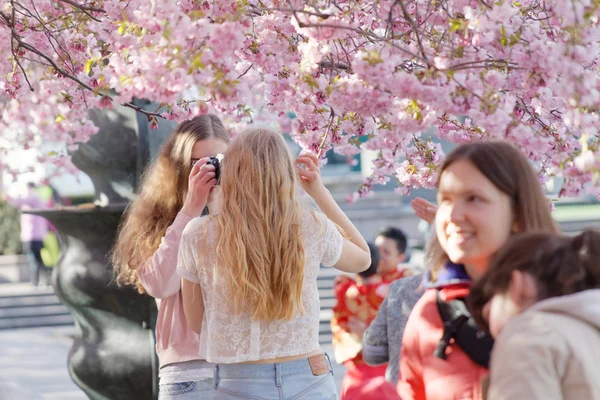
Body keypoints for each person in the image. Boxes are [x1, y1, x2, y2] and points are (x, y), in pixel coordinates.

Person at [176, 128, 371, 399]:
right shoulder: (311, 225)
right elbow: (363, 258)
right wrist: (319, 193)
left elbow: (198, 322)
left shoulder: (199, 233)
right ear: (285, 173)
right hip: (309, 378)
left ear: (229, 171)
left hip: (239, 382)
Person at [397, 141, 560, 400]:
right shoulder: (428, 313)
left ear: (517, 213)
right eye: (446, 199)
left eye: (474, 199)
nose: (453, 215)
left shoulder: (568, 300)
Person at [112, 114, 230, 399]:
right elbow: (160, 284)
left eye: (218, 161)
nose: (209, 172)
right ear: (178, 167)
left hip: (245, 369)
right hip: (189, 374)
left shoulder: (245, 213)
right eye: (197, 164)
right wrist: (190, 210)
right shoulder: (158, 216)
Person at [467, 230, 600, 400]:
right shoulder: (589, 332)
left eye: (488, 313)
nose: (493, 333)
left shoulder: (529, 333)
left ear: (517, 284)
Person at [362, 199, 436, 384]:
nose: (378, 257)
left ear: (401, 257)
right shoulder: (352, 282)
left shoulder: (405, 285)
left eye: (385, 252)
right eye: (377, 250)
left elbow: (373, 349)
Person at [331, 243, 395, 398]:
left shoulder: (344, 291)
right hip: (387, 371)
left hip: (356, 374)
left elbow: (339, 327)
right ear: (380, 263)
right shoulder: (391, 291)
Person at [4, 183, 51, 286]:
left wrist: (7, 196)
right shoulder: (37, 199)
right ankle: (43, 279)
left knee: (34, 259)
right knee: (37, 258)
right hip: (35, 234)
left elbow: (17, 202)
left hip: (32, 235)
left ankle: (38, 280)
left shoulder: (33, 198)